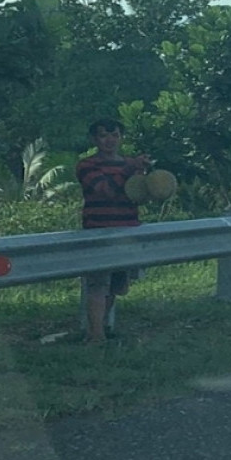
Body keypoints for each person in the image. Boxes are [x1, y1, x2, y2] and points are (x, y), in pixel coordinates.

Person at [76, 118, 151, 343]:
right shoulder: (86, 165)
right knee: (98, 283)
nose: (110, 140)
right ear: (94, 139)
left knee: (117, 285)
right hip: (98, 230)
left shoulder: (130, 165)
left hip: (126, 229)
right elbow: (105, 190)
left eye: (114, 135)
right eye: (103, 136)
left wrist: (145, 175)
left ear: (121, 138)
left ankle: (99, 330)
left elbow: (140, 196)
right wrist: (131, 168)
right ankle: (96, 336)